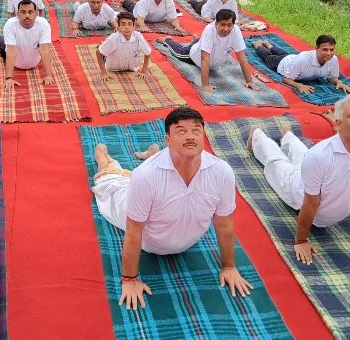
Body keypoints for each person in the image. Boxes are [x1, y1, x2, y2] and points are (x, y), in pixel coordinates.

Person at [91, 106, 252, 310]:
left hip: (156, 195)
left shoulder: (222, 172)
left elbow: (225, 224)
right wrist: (129, 279)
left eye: (196, 130)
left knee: (146, 178)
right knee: (110, 180)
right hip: (131, 204)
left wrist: (229, 266)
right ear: (168, 139)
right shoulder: (146, 176)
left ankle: (153, 154)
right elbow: (133, 231)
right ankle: (101, 155)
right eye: (181, 131)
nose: (190, 136)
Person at [247, 95, 350, 265]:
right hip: (296, 187)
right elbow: (310, 203)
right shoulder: (320, 156)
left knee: (304, 157)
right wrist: (301, 241)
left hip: (312, 168)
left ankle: (288, 137)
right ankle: (256, 135)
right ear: (337, 124)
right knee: (277, 163)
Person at [159, 9, 260, 93]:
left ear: (234, 25)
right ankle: (167, 40)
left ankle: (197, 40)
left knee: (203, 43)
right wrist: (205, 85)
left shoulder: (236, 31)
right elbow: (204, 58)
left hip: (210, 53)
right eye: (223, 25)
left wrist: (249, 81)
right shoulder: (209, 29)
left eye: (229, 25)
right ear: (216, 24)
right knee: (178, 52)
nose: (226, 29)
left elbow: (242, 58)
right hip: (194, 55)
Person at [251, 35, 350, 95]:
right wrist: (298, 85)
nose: (329, 53)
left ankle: (268, 44)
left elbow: (332, 78)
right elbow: (286, 79)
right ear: (316, 49)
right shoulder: (304, 59)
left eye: (332, 50)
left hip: (292, 58)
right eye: (325, 49)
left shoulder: (333, 59)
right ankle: (259, 45)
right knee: (266, 55)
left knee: (282, 53)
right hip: (282, 64)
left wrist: (338, 82)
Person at [0, 0, 54, 88]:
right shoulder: (10, 24)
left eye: (30, 12)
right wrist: (9, 78)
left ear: (36, 14)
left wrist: (48, 76)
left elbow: (44, 48)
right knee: (1, 41)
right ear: (17, 14)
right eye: (23, 12)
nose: (27, 16)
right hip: (14, 60)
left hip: (34, 62)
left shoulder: (43, 24)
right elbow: (11, 50)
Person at [96, 12, 152, 81]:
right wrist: (103, 72)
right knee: (102, 50)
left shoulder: (138, 36)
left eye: (129, 24)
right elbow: (99, 53)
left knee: (105, 46)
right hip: (113, 68)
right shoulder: (113, 38)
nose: (126, 27)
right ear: (118, 27)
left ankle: (102, 44)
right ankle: (101, 45)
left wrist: (144, 71)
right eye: (123, 24)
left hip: (132, 68)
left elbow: (148, 52)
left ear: (134, 26)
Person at [123, 0, 187, 34]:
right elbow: (140, 18)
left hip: (159, 18)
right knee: (131, 6)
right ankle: (125, 0)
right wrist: (143, 26)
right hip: (139, 11)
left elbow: (174, 19)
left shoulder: (169, 0)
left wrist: (177, 26)